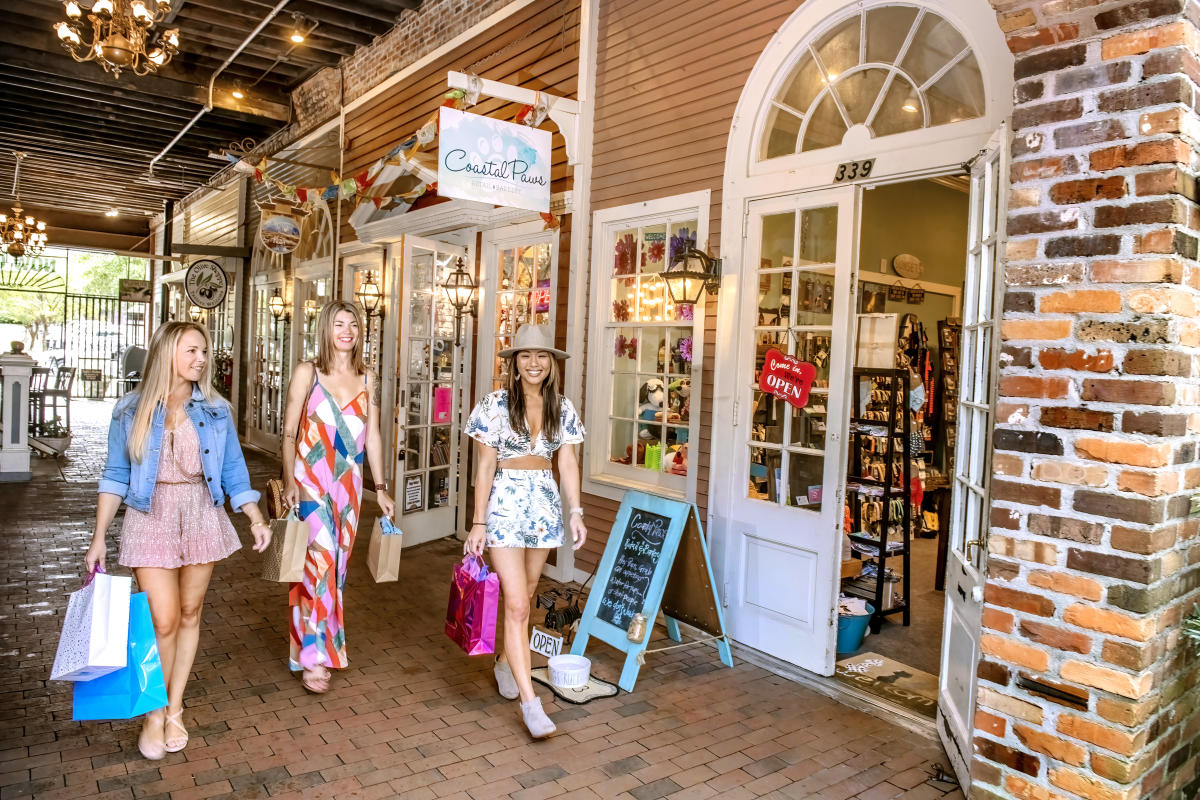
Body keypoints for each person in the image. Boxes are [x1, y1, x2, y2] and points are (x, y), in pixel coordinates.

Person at [86, 321, 270, 761]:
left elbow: (233, 472)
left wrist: (256, 518)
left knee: (190, 613)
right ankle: (153, 711)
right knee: (161, 620)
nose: (201, 360)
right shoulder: (131, 410)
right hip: (151, 516)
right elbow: (114, 475)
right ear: (167, 352)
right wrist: (97, 539)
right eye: (191, 351)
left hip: (201, 512)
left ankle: (175, 707)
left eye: (203, 351)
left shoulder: (216, 409)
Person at [464, 324, 586, 739]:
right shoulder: (495, 405)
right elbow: (483, 468)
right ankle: (531, 705)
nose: (534, 363)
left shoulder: (563, 408)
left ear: (551, 364)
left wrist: (577, 512)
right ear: (514, 364)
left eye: (542, 356)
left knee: (528, 593)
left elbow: (566, 463)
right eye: (525, 356)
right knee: (515, 603)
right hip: (503, 507)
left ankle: (504, 661)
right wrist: (478, 522)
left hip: (544, 507)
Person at [280, 301, 394, 693]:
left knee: (335, 572)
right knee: (321, 564)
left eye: (353, 325)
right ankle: (314, 657)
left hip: (349, 487)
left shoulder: (368, 378)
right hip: (311, 483)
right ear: (326, 329)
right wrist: (288, 479)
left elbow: (373, 437)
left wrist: (380, 488)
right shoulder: (307, 372)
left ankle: (310, 647)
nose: (347, 330)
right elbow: (290, 431)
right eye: (339, 324)